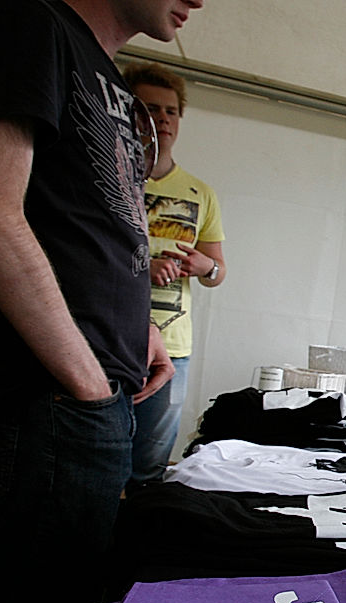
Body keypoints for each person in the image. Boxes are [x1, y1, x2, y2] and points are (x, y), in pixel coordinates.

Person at [0, 0, 201, 603]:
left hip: (94, 395)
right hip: (46, 402)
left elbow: (90, 222)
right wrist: (83, 378)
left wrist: (138, 330)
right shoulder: (34, 25)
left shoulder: (99, 70)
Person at [125, 62, 227, 487]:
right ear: (129, 112)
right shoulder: (113, 175)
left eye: (170, 110)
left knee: (148, 469)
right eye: (150, 108)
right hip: (109, 341)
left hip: (174, 349)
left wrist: (207, 267)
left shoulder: (200, 192)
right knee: (94, 460)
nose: (162, 119)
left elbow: (217, 272)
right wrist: (140, 269)